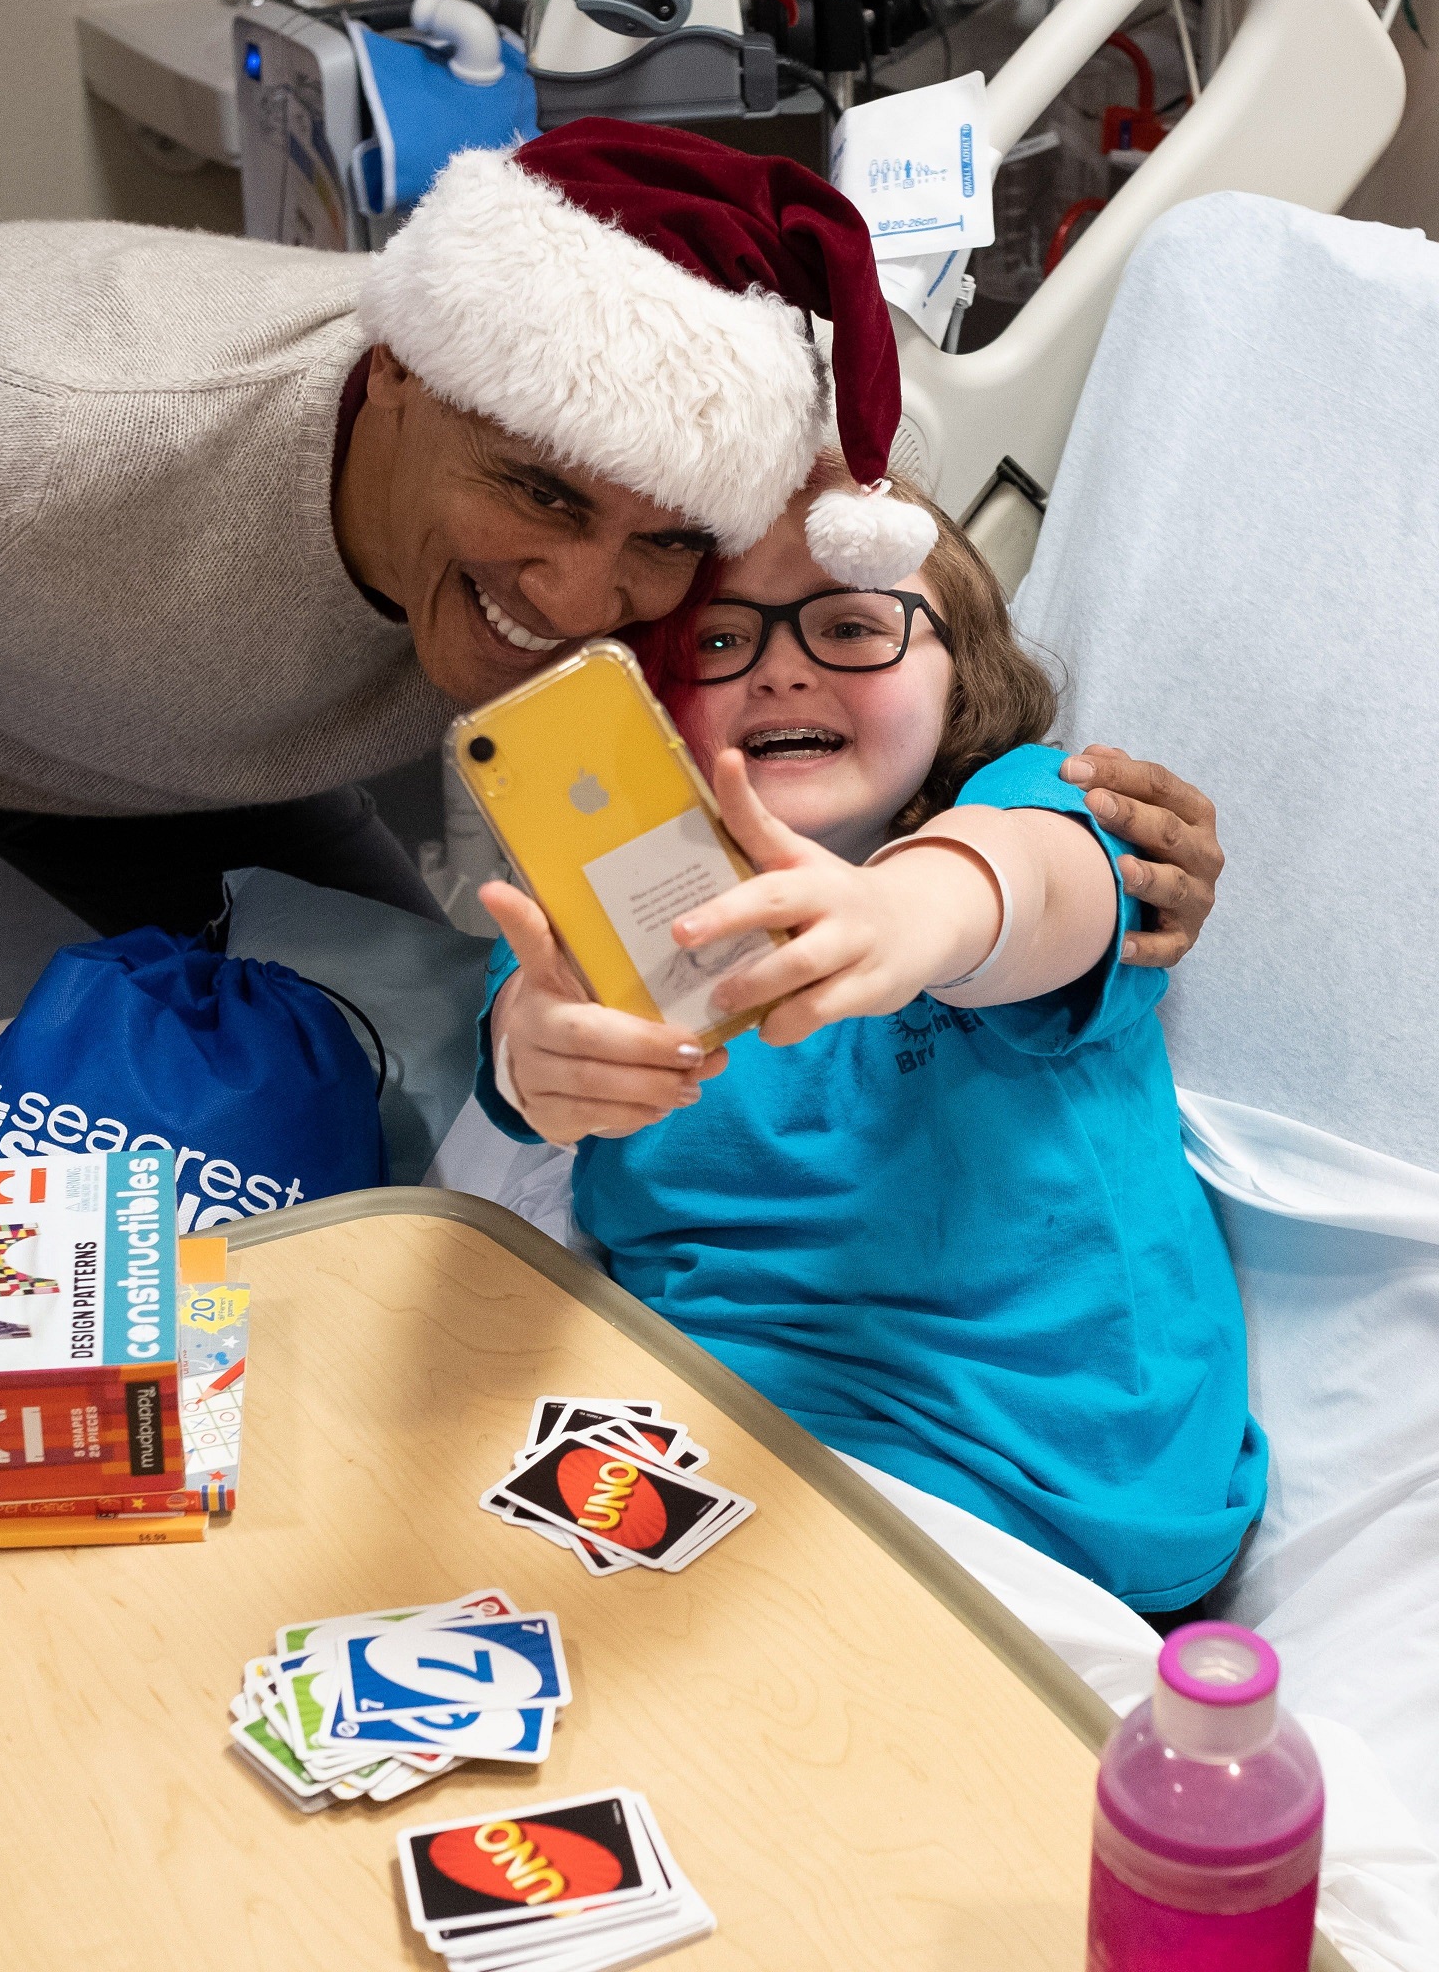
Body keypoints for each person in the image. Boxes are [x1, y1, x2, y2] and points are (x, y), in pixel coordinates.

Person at [0, 119, 1222, 1263]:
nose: (585, 602)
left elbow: (877, 649)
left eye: (659, 545)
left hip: (199, 739)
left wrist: (1080, 857)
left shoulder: (662, 552)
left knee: (448, 993)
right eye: (535, 495)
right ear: (390, 379)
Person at [478, 461, 1265, 1614]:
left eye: (852, 624)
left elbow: (1035, 887)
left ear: (963, 679)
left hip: (1049, 1490)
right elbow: (526, 1028)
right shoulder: (603, 907)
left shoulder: (1023, 808)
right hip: (718, 1449)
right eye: (715, 641)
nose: (781, 664)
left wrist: (907, 912)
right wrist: (538, 1057)